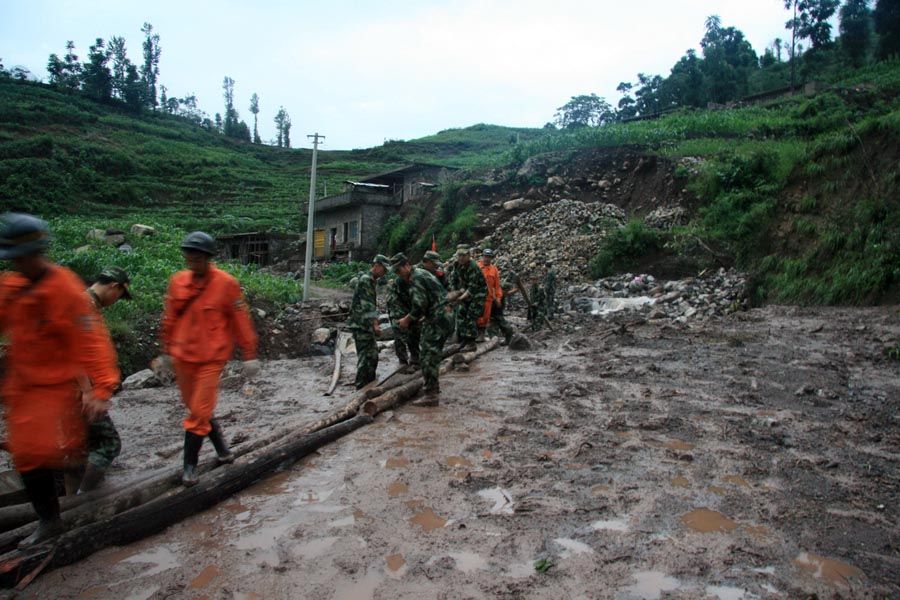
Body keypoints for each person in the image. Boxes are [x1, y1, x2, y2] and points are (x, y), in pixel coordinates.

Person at [0, 213, 119, 547]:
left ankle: (69, 507)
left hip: (58, 386)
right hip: (23, 385)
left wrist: (102, 388)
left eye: (24, 257)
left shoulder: (65, 289)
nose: (20, 264)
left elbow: (92, 341)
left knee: (45, 448)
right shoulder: (11, 287)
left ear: (38, 253)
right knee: (27, 453)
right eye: (15, 260)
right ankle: (54, 514)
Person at [161, 231, 259, 487]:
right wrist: (167, 351)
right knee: (198, 408)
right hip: (183, 357)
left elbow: (241, 320)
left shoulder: (226, 284)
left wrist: (249, 354)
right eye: (188, 256)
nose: (191, 261)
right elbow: (170, 318)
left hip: (211, 359)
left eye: (196, 257)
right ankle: (224, 451)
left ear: (207, 257)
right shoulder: (178, 282)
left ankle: (189, 468)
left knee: (198, 411)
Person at [74, 266, 133, 493]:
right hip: (79, 391)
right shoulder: (84, 308)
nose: (117, 300)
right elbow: (71, 352)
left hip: (78, 389)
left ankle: (72, 501)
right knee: (110, 444)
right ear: (114, 287)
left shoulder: (86, 304)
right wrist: (87, 391)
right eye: (120, 295)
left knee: (80, 448)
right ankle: (83, 498)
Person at [394, 255, 451, 406]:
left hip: (438, 320)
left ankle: (431, 394)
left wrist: (407, 319)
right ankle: (432, 388)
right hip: (441, 317)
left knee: (427, 356)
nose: (399, 275)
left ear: (406, 266)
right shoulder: (422, 273)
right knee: (431, 353)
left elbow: (420, 304)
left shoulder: (416, 278)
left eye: (399, 271)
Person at [347, 254, 390, 389]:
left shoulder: (372, 280)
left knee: (372, 356)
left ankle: (369, 385)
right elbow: (368, 306)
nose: (385, 273)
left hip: (364, 324)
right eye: (384, 269)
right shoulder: (366, 280)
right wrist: (376, 324)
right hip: (361, 325)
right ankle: (361, 387)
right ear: (376, 266)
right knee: (366, 357)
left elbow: (371, 305)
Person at [446, 245, 487, 352]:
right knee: (461, 314)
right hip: (465, 291)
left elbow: (472, 288)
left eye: (464, 255)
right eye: (459, 255)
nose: (461, 258)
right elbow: (453, 281)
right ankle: (465, 339)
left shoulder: (473, 266)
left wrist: (459, 298)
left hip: (478, 293)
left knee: (470, 316)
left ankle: (472, 343)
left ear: (469, 255)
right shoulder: (456, 265)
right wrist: (454, 294)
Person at [386, 257, 419, 370]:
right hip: (397, 310)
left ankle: (415, 358)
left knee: (414, 332)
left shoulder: (415, 278)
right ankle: (403, 362)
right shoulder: (397, 284)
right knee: (399, 333)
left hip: (409, 309)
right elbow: (394, 304)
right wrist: (404, 318)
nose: (398, 274)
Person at [477, 249, 515, 345]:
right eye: (485, 256)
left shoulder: (494, 269)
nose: (487, 259)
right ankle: (484, 337)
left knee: (498, 318)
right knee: (480, 318)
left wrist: (498, 298)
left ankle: (509, 336)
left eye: (489, 257)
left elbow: (497, 286)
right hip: (479, 299)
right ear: (483, 256)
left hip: (492, 299)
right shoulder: (477, 267)